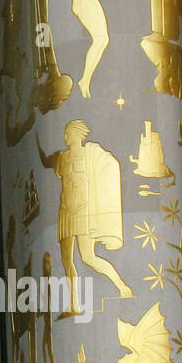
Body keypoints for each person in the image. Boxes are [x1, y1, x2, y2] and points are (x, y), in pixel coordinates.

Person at [37, 120, 130, 313]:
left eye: (67, 134)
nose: (65, 138)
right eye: (64, 134)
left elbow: (110, 164)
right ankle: (74, 305)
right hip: (65, 211)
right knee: (66, 261)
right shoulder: (62, 157)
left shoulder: (91, 153)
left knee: (88, 257)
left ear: (77, 135)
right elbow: (46, 161)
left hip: (84, 211)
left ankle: (122, 286)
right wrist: (37, 140)